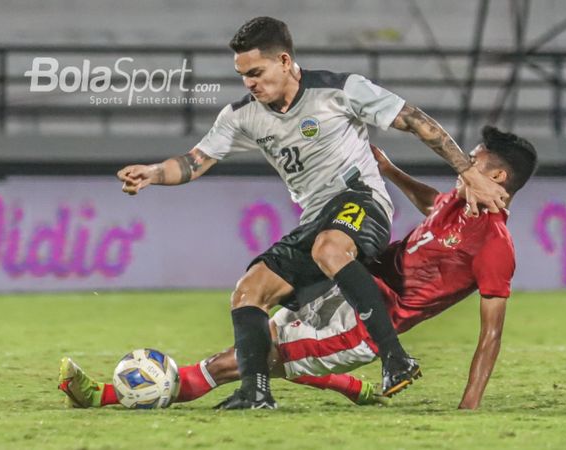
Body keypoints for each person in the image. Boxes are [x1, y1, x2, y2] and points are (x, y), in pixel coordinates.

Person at [116, 17, 508, 409]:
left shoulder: (340, 91)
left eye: (256, 72)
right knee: (248, 291)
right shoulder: (242, 117)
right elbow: (193, 162)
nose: (249, 83)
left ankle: (395, 358)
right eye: (242, 75)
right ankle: (255, 394)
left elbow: (416, 122)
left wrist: (468, 171)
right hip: (315, 217)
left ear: (284, 61)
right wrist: (152, 173)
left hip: (362, 200)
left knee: (330, 249)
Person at [65, 126, 536, 410]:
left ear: (496, 177)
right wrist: (390, 170)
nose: (464, 164)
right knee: (257, 342)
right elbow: (431, 204)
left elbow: (490, 334)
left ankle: (106, 396)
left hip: (363, 326)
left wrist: (470, 406)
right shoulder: (457, 202)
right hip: (349, 288)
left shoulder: (495, 245)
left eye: (473, 161)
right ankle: (350, 387)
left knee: (237, 362)